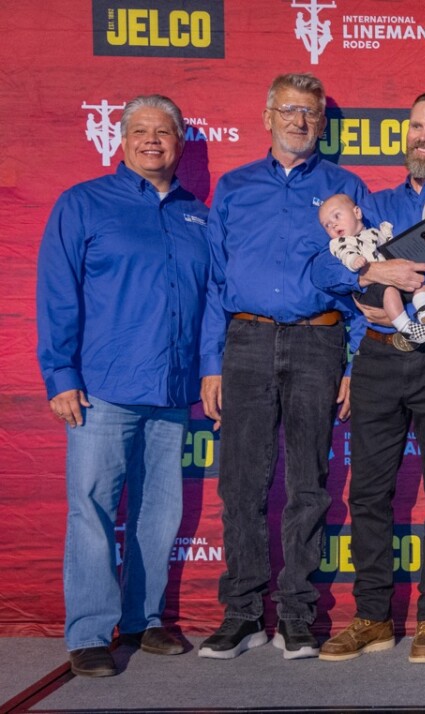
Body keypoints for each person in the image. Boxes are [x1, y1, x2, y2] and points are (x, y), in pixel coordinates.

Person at [312, 90, 425, 664]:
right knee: (368, 490)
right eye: (417, 127)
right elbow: (325, 264)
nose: (424, 137)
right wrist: (372, 270)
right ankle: (371, 616)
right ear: (405, 133)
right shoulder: (373, 200)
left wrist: (406, 300)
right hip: (377, 357)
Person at [198, 73, 367, 661]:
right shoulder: (235, 186)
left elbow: (362, 279)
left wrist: (355, 359)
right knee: (241, 483)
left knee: (307, 485)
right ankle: (242, 613)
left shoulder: (345, 186)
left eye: (310, 114)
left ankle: (296, 614)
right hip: (243, 343)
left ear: (322, 124)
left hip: (320, 343)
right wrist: (209, 362)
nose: (299, 122)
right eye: (289, 111)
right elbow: (214, 280)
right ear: (268, 115)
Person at [37, 94, 208, 677]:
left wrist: (206, 371)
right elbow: (58, 292)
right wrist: (61, 374)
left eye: (164, 131)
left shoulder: (198, 215)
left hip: (171, 390)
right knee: (91, 509)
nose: (152, 140)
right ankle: (89, 631)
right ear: (122, 138)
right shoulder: (83, 204)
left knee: (159, 510)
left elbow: (209, 302)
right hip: (102, 390)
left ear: (180, 142)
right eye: (140, 130)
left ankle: (143, 620)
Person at [320, 193, 425, 344]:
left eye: (337, 216)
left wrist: (387, 233)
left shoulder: (373, 232)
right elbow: (344, 253)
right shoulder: (340, 242)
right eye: (327, 225)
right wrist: (354, 260)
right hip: (370, 290)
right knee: (389, 291)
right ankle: (406, 327)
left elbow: (389, 247)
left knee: (417, 279)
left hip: (394, 279)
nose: (333, 225)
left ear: (357, 213)